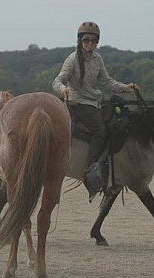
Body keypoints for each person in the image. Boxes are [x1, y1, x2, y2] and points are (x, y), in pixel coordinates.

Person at [52, 21, 138, 201]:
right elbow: (58, 81)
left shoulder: (97, 59)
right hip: (78, 103)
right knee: (100, 130)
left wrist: (127, 88)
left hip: (94, 103)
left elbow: (107, 82)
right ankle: (91, 169)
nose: (89, 43)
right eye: (86, 40)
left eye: (93, 40)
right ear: (80, 40)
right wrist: (63, 90)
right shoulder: (72, 59)